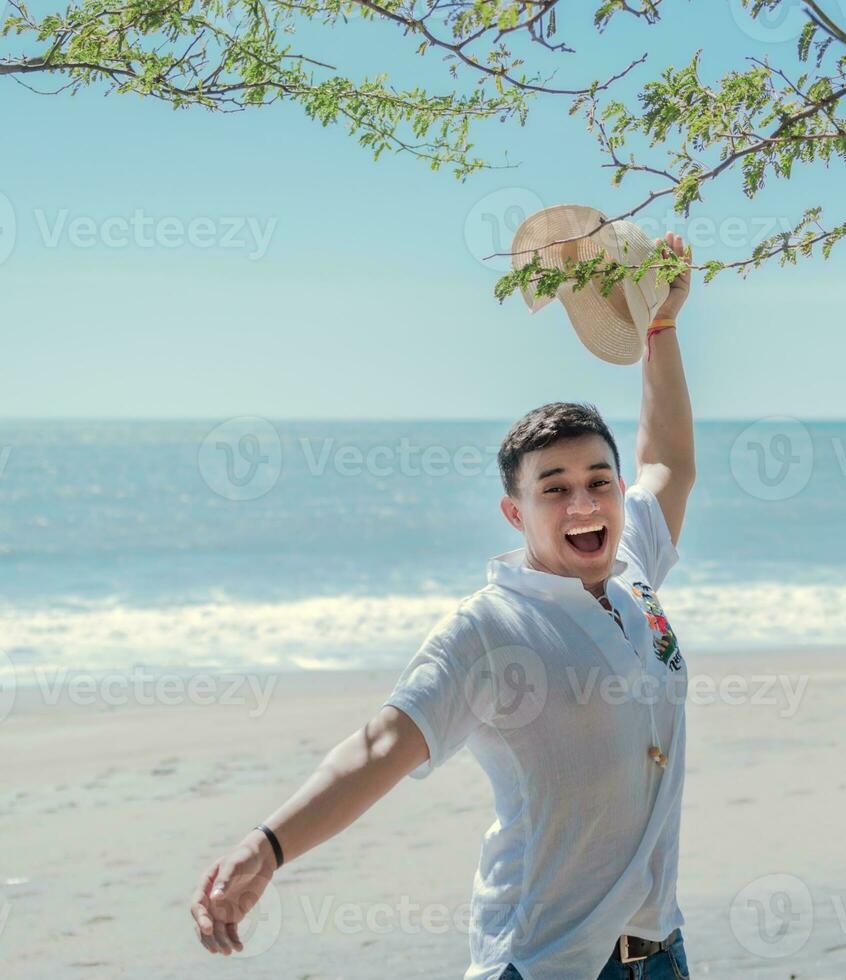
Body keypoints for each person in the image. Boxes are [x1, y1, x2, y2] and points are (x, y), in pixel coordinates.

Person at [189, 232, 696, 980]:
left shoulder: (633, 572)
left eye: (598, 480)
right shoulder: (490, 629)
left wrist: (659, 328)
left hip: (662, 955)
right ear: (513, 513)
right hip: (546, 962)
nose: (583, 501)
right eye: (553, 488)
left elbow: (667, 461)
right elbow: (379, 746)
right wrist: (268, 847)